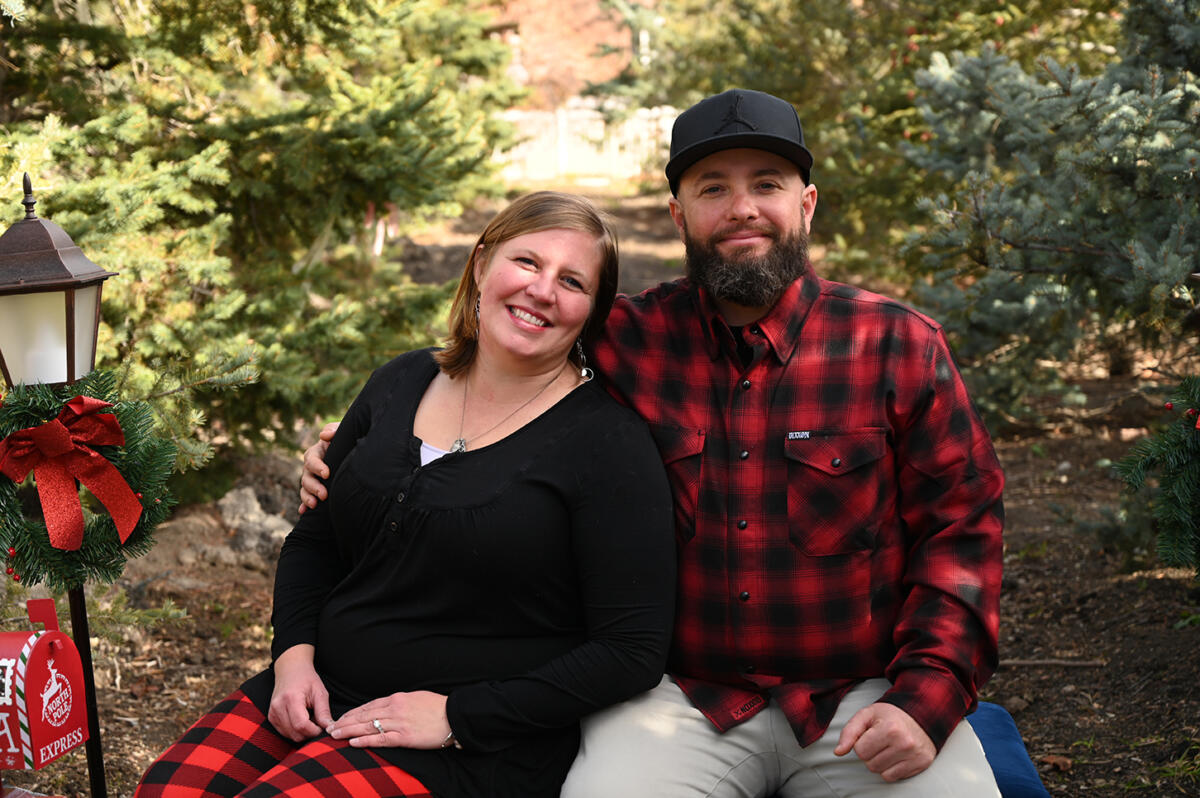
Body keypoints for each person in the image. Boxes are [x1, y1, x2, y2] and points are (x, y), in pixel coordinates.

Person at [301, 89, 1006, 797]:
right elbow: (501, 360)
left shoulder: (896, 346)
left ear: (807, 204)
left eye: (767, 185)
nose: (742, 208)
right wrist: (369, 450)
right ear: (679, 215)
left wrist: (926, 697)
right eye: (712, 189)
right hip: (678, 700)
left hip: (863, 694)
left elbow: (962, 531)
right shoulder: (623, 339)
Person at [136, 191, 676, 798]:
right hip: (320, 688)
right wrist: (293, 660)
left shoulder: (607, 443)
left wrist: (456, 718)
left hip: (471, 741)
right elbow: (315, 541)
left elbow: (632, 650)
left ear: (593, 311)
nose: (542, 290)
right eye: (527, 262)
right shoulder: (403, 379)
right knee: (165, 792)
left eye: (572, 281)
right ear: (481, 265)